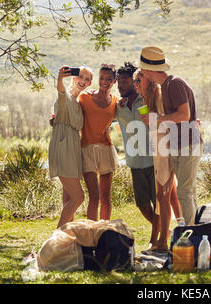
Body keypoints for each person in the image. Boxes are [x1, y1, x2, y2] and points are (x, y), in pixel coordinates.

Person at [115, 62, 180, 251]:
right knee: (142, 204)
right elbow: (102, 115)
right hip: (134, 162)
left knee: (159, 202)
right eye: (119, 82)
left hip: (153, 159)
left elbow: (167, 115)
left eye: (125, 82)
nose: (121, 86)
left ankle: (155, 239)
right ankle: (164, 230)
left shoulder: (147, 99)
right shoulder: (119, 106)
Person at [139, 46, 203, 226]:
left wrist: (159, 119)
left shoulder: (174, 83)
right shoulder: (165, 86)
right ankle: (194, 231)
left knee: (184, 192)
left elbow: (184, 115)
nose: (142, 71)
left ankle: (189, 236)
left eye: (143, 68)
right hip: (178, 144)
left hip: (188, 144)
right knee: (188, 192)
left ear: (148, 69)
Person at [133, 69, 182, 251]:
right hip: (158, 151)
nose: (136, 83)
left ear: (150, 80)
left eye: (140, 79)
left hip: (166, 150)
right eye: (135, 81)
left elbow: (170, 122)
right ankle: (181, 230)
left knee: (164, 196)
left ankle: (163, 241)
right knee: (168, 196)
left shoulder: (160, 96)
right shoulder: (147, 100)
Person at [49, 65, 93, 228]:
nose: (83, 81)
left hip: (73, 148)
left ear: (89, 84)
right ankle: (57, 236)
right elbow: (60, 89)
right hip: (62, 147)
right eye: (81, 76)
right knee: (78, 197)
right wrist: (60, 78)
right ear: (74, 78)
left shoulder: (79, 103)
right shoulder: (65, 96)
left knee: (68, 198)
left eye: (87, 79)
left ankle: (67, 239)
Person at [78, 64, 120, 221]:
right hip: (86, 149)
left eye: (109, 79)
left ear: (114, 81)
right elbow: (70, 111)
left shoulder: (116, 102)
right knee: (94, 196)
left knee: (106, 197)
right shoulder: (85, 97)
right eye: (102, 78)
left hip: (106, 149)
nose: (104, 82)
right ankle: (91, 233)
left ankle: (104, 232)